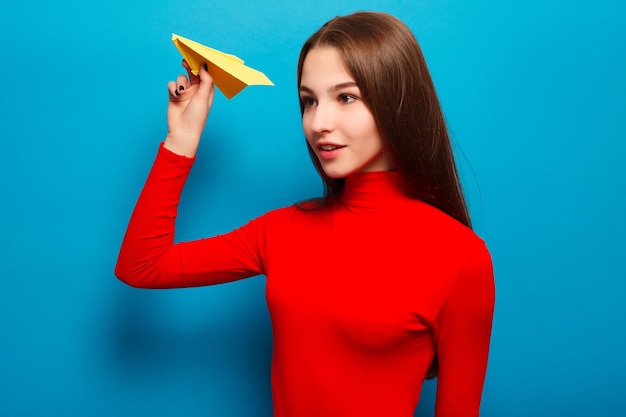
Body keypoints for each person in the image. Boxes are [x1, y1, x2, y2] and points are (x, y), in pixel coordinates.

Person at [115, 11, 495, 417]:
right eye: (308, 101)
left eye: (345, 97)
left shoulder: (460, 257)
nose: (318, 122)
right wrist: (181, 140)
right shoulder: (283, 231)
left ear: (396, 101)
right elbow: (142, 266)